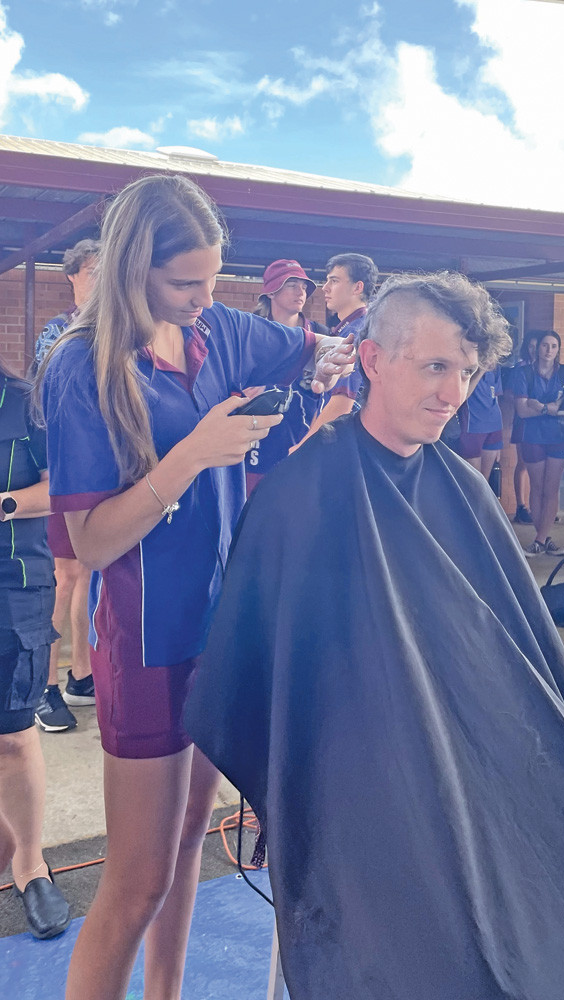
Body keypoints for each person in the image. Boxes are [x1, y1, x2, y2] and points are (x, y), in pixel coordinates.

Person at [186, 272, 564, 1000]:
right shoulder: (300, 496)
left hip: (489, 767)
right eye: (436, 366)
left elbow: (528, 671)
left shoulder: (465, 490)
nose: (454, 393)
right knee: (457, 968)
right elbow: (254, 682)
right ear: (373, 361)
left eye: (467, 372)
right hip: (362, 789)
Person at [38, 174, 354, 1000]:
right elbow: (91, 540)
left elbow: (313, 351)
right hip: (145, 643)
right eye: (186, 284)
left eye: (214, 281)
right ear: (133, 268)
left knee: (186, 844)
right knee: (135, 879)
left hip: (221, 627)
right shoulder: (83, 368)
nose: (203, 298)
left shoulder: (216, 328)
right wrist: (192, 455)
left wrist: (345, 359)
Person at [0, 360, 70, 938]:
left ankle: (30, 865)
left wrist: (1, 505)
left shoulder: (28, 404)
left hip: (14, 586)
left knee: (15, 739)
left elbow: (60, 488)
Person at [33, 239, 100, 733]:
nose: (102, 280)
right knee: (65, 576)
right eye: (93, 271)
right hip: (63, 468)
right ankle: (44, 686)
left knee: (88, 573)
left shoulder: (121, 330)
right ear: (73, 276)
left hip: (103, 470)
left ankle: (82, 675)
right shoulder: (58, 333)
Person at [244, 259, 328, 492]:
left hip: (305, 446)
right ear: (271, 291)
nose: (300, 291)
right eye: (292, 284)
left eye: (304, 286)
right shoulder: (250, 331)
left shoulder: (322, 335)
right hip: (256, 444)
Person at [294, 252, 378, 444]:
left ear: (358, 287)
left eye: (334, 281)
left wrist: (304, 448)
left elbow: (342, 403)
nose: (325, 288)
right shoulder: (353, 328)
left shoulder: (356, 333)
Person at [512, 330, 564, 557]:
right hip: (533, 436)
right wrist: (549, 409)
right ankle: (543, 538)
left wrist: (538, 406)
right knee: (537, 488)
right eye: (545, 345)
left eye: (554, 346)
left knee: (552, 488)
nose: (549, 350)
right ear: (537, 348)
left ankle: (541, 539)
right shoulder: (523, 373)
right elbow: (522, 411)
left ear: (558, 349)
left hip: (559, 436)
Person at [452, 364, 503, 481]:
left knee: (485, 482)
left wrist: (498, 443)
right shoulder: (470, 365)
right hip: (472, 426)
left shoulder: (496, 366)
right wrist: (481, 370)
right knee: (472, 482)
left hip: (494, 426)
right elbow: (462, 396)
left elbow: (496, 396)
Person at [508, 331, 538, 524]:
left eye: (539, 346)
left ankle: (538, 508)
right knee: (524, 463)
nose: (535, 350)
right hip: (523, 420)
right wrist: (526, 403)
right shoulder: (521, 368)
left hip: (542, 423)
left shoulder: (547, 369)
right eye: (532, 347)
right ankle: (522, 506)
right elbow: (510, 394)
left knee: (539, 466)